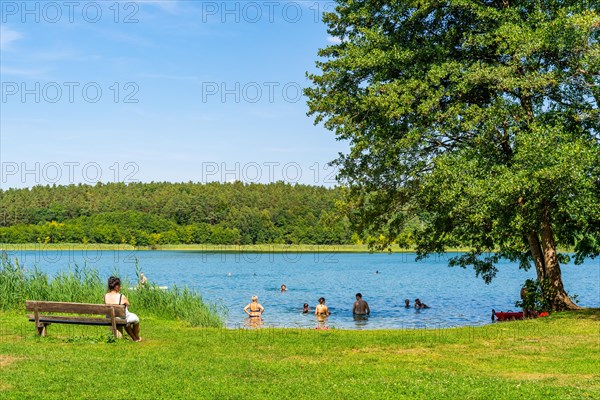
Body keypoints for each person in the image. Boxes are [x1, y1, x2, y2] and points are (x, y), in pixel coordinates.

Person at [104, 276, 142, 342]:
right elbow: (128, 304)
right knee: (136, 319)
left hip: (109, 318)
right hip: (121, 318)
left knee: (127, 321)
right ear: (117, 286)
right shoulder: (121, 296)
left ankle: (134, 338)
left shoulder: (105, 296)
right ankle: (136, 337)